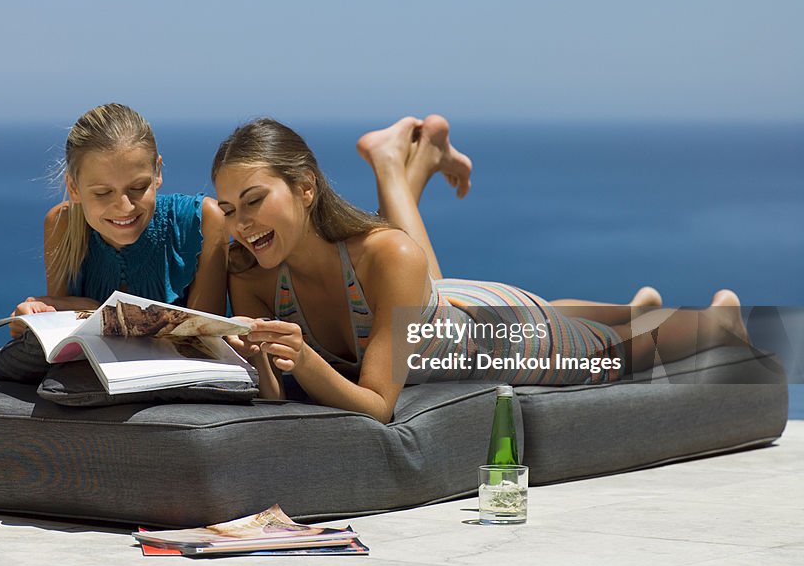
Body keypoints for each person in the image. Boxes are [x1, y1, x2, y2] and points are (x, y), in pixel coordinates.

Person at [212, 116, 751, 424]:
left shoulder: (385, 255)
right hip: (446, 307)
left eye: (254, 200)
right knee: (590, 319)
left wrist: (303, 359)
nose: (241, 223)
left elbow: (377, 406)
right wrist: (255, 361)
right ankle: (645, 309)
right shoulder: (254, 275)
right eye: (230, 209)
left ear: (306, 187)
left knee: (620, 352)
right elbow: (273, 397)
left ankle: (719, 321)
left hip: (496, 338)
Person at [8, 103, 228, 336]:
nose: (125, 207)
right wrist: (38, 316)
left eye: (138, 187)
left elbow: (204, 341)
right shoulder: (61, 225)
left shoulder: (202, 221)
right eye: (103, 193)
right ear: (73, 188)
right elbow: (64, 336)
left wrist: (89, 310)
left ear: (158, 172)